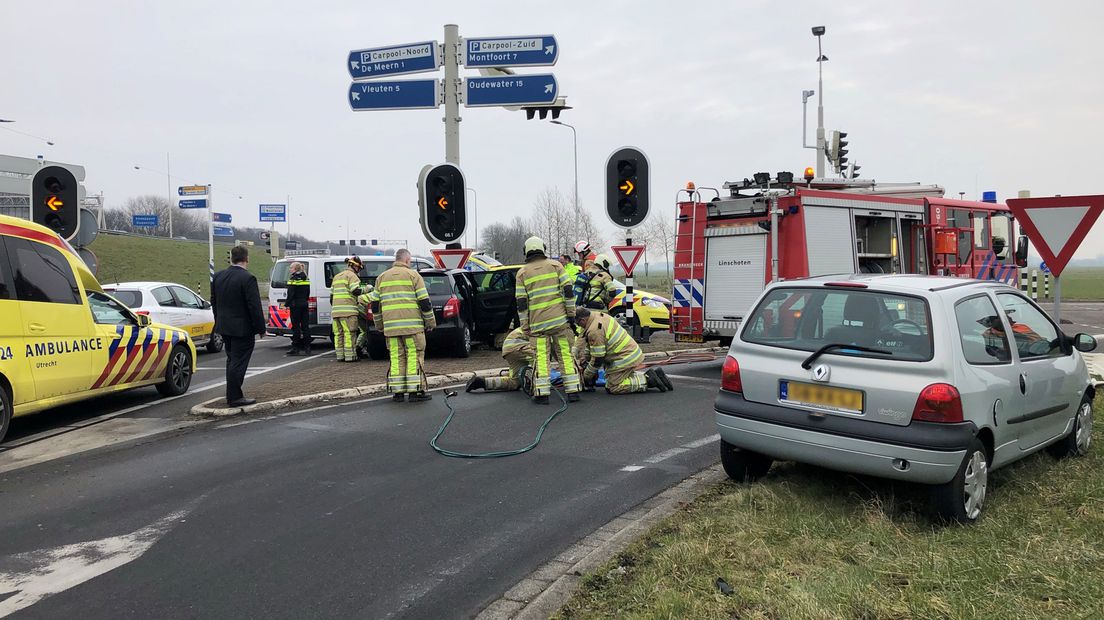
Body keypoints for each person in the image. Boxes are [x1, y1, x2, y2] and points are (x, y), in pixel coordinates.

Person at [515, 236, 581, 404]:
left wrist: (525, 326)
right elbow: (568, 293)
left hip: (538, 326)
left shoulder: (522, 273)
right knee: (565, 355)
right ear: (543, 249)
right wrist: (571, 315)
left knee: (542, 358)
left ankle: (542, 394)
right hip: (560, 322)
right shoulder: (556, 266)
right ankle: (573, 392)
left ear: (526, 251)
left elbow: (521, 304)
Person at [368, 249, 436, 402]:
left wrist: (379, 325)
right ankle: (415, 391)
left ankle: (397, 393)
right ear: (407, 260)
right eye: (410, 261)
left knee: (396, 357)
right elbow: (425, 302)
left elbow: (375, 305)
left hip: (391, 329)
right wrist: (430, 322)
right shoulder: (414, 276)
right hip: (412, 328)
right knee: (414, 356)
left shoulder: (381, 278)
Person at [211, 245, 266, 407]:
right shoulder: (247, 278)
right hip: (242, 329)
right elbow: (254, 306)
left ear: (231, 258)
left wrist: (218, 320)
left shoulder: (219, 276)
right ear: (246, 259)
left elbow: (214, 301)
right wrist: (261, 328)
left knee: (231, 360)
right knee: (238, 362)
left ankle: (232, 393)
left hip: (224, 326)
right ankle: (234, 396)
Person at [574, 307, 672, 394]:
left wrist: (587, 375)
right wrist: (584, 359)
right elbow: (589, 344)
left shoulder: (595, 330)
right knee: (616, 378)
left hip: (624, 358)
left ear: (582, 320)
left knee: (613, 387)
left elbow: (598, 358)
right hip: (629, 352)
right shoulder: (595, 316)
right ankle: (656, 375)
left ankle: (648, 380)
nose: (579, 326)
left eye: (578, 323)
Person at [466, 327, 533, 393]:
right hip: (518, 347)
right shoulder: (539, 328)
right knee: (541, 359)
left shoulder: (532, 323)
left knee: (515, 383)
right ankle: (538, 385)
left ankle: (481, 382)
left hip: (509, 349)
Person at [331, 255, 363, 362]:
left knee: (338, 334)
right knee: (349, 333)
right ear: (354, 266)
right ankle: (350, 356)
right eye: (359, 268)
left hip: (336, 312)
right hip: (348, 312)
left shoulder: (337, 277)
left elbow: (331, 297)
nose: (358, 270)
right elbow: (355, 291)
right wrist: (366, 289)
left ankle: (340, 355)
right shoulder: (352, 276)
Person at [285, 262, 311, 356]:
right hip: (304, 304)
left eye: (291, 268)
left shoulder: (293, 279)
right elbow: (308, 293)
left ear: (295, 269)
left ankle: (295, 348)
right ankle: (307, 347)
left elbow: (290, 294)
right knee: (305, 326)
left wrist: (287, 304)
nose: (290, 269)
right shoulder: (306, 278)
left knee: (296, 327)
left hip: (295, 305)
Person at [354, 285, 375, 357]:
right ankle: (358, 348)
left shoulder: (365, 296)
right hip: (360, 309)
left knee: (364, 331)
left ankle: (357, 348)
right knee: (366, 330)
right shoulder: (374, 295)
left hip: (355, 309)